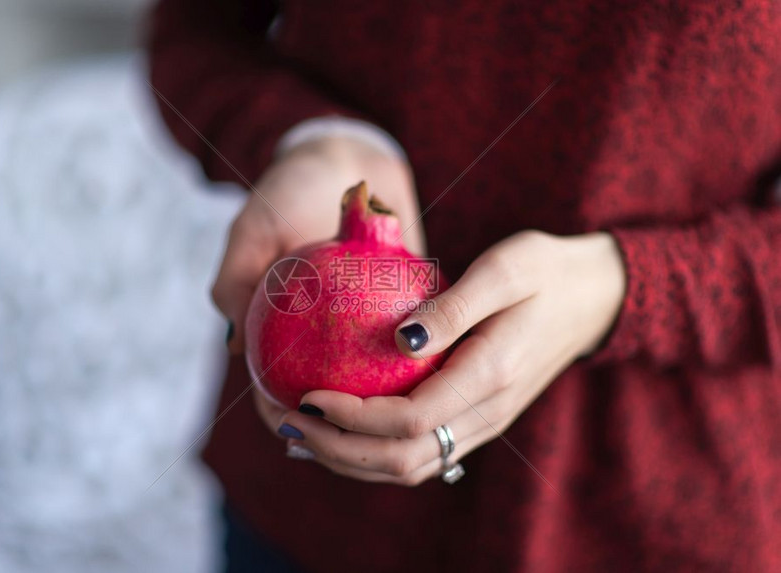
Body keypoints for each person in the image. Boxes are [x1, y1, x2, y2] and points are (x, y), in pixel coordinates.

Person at [149, 1, 781, 571]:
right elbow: (191, 32)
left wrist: (624, 287)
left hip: (658, 517)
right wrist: (312, 139)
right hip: (308, 510)